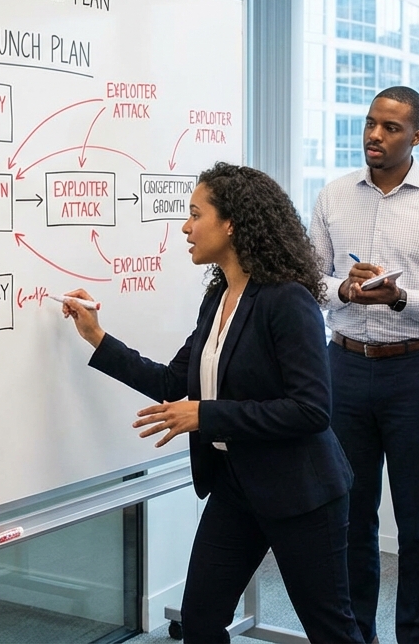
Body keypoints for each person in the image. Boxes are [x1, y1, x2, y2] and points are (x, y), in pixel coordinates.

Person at [59, 162, 364, 644]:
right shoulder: (219, 297)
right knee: (200, 622)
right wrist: (97, 336)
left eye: (195, 214)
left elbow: (311, 410)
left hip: (302, 492)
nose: (185, 226)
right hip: (236, 486)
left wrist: (204, 415)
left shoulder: (288, 300)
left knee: (331, 630)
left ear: (231, 223)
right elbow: (171, 380)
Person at [308, 86, 419, 644]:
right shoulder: (333, 196)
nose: (375, 135)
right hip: (346, 368)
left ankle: (416, 637)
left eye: (391, 128)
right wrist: (347, 292)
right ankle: (358, 634)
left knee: (417, 522)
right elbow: (310, 281)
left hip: (415, 374)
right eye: (370, 123)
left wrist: (403, 299)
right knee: (351, 517)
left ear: (417, 136)